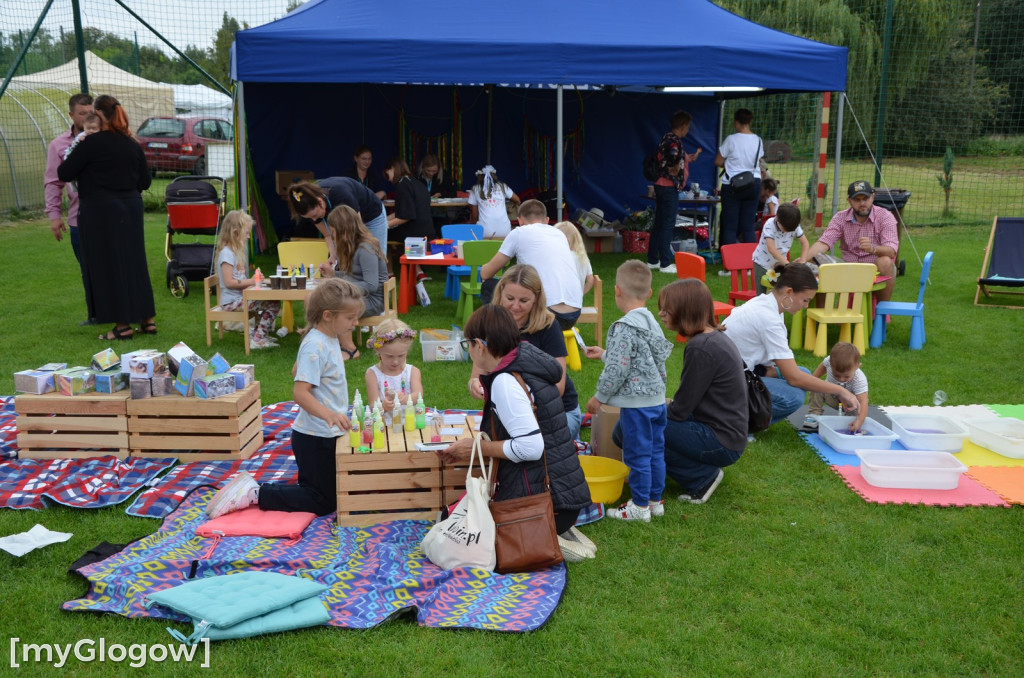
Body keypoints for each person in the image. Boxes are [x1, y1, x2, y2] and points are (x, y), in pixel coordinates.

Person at [439, 305, 592, 556]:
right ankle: (555, 531)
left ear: (479, 344)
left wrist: (477, 448)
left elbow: (531, 448)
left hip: (544, 503)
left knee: (451, 526)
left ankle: (543, 534)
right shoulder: (526, 361)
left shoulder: (505, 382)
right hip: (564, 497)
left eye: (468, 344)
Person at [206, 278, 364, 518]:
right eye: (350, 318)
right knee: (323, 501)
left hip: (325, 433)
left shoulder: (325, 337)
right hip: (315, 437)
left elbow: (295, 370)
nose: (356, 322)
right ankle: (256, 493)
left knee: (338, 489)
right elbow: (299, 392)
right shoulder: (316, 345)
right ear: (328, 316)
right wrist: (330, 414)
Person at [57, 94, 156, 341]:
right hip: (131, 208)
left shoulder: (91, 142)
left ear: (99, 114)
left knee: (108, 266)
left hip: (101, 211)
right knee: (134, 263)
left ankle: (121, 326)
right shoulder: (132, 143)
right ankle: (147, 320)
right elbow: (145, 181)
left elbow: (64, 171)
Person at [584, 260, 673, 522]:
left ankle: (640, 506)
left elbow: (618, 369)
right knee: (656, 452)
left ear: (617, 291)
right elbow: (643, 359)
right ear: (648, 293)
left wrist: (599, 397)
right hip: (656, 401)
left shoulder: (623, 326)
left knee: (637, 454)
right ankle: (655, 501)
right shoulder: (651, 322)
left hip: (637, 406)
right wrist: (605, 354)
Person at [720, 262, 859, 424]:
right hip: (728, 383)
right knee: (793, 397)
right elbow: (794, 378)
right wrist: (841, 391)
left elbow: (777, 367)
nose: (806, 306)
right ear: (789, 292)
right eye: (805, 300)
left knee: (804, 373)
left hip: (736, 371)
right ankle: (737, 423)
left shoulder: (767, 303)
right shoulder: (769, 319)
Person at [652, 279, 747, 505]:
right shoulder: (713, 337)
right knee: (636, 423)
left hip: (721, 440)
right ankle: (697, 471)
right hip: (726, 432)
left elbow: (680, 410)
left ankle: (701, 477)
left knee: (632, 427)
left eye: (667, 309)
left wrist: (653, 410)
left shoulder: (701, 347)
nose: (661, 314)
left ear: (686, 310)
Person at [469, 264, 584, 441]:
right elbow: (477, 374)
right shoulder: (489, 323)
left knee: (530, 449)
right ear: (500, 293)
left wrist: (514, 400)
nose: (515, 306)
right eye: (509, 298)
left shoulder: (548, 325)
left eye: (524, 301)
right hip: (513, 412)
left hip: (557, 413)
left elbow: (558, 388)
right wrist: (474, 384)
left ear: (536, 299)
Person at [479, 200, 583, 329]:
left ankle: (501, 331)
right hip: (573, 314)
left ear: (520, 221)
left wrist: (484, 268)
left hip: (546, 314)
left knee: (489, 286)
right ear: (546, 220)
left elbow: (486, 273)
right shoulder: (559, 234)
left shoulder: (519, 233)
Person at [803, 180, 898, 303]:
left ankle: (883, 313)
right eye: (857, 200)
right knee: (817, 260)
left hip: (875, 269)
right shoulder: (840, 217)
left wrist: (873, 248)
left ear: (873, 197)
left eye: (865, 198)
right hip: (846, 267)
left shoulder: (885, 216)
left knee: (885, 261)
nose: (862, 203)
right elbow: (824, 243)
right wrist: (803, 260)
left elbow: (891, 251)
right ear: (849, 201)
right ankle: (822, 315)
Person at [45, 93, 95, 326]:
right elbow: (53, 182)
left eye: (90, 112)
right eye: (82, 113)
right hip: (77, 218)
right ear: (72, 114)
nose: (87, 116)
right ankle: (95, 314)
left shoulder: (103, 138)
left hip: (109, 215)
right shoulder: (59, 145)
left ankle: (119, 313)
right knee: (88, 268)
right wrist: (54, 216)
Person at [320, 204, 388, 360]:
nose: (333, 235)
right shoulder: (356, 245)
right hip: (361, 296)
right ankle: (327, 341)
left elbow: (371, 285)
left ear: (342, 230)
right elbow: (355, 276)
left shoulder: (365, 248)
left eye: (333, 231)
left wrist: (341, 284)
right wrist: (334, 275)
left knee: (338, 305)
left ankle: (349, 349)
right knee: (315, 298)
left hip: (373, 300)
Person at [216, 210, 282, 349]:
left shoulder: (233, 252)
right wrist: (251, 282)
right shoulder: (227, 254)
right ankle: (258, 339)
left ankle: (258, 335)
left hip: (239, 299)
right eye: (246, 233)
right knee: (273, 302)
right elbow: (229, 282)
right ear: (235, 232)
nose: (248, 236)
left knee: (272, 300)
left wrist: (256, 282)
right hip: (231, 303)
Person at [650, 110, 701, 274]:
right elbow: (672, 155)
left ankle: (653, 260)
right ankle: (665, 263)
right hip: (668, 186)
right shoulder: (673, 140)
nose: (688, 130)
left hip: (661, 185)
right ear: (683, 126)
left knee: (659, 224)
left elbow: (674, 155)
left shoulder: (667, 138)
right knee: (667, 224)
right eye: (688, 127)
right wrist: (675, 167)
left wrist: (685, 159)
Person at [286, 177, 388, 259]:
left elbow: (358, 232)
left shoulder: (341, 196)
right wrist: (333, 256)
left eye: (314, 216)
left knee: (375, 257)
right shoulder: (311, 207)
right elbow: (327, 235)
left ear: (320, 202)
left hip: (372, 215)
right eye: (309, 218)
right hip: (349, 219)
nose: (314, 220)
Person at [715, 108, 764, 246]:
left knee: (730, 227)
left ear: (737, 122)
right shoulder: (758, 140)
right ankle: (750, 264)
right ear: (750, 121)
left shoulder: (731, 139)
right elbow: (758, 161)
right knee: (748, 227)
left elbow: (718, 161)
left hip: (733, 185)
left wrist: (730, 164)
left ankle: (730, 265)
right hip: (753, 183)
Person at [364, 318, 423, 424]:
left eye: (401, 355)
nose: (395, 361)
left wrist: (404, 398)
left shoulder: (412, 371)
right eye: (389, 356)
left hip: (410, 423)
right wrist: (383, 406)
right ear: (378, 350)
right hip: (384, 424)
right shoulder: (372, 374)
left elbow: (418, 395)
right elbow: (373, 405)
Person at [803, 342, 870, 433]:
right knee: (816, 385)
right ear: (830, 364)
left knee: (857, 405)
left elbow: (863, 401)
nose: (842, 379)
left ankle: (849, 420)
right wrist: (810, 382)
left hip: (849, 405)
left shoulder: (859, 379)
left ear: (857, 367)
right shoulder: (828, 362)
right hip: (831, 397)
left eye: (846, 377)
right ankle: (813, 415)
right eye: (837, 376)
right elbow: (815, 376)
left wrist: (860, 421)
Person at [752, 203, 810, 294]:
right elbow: (771, 249)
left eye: (790, 230)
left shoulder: (794, 225)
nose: (787, 232)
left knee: (780, 291)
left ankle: (777, 307)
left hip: (780, 264)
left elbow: (805, 243)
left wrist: (803, 260)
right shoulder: (769, 225)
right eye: (785, 229)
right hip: (762, 264)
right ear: (777, 218)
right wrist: (787, 264)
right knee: (762, 294)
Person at [466, 165, 520, 238]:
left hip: (485, 231)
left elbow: (474, 214)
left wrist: (476, 223)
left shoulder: (475, 189)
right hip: (504, 231)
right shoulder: (502, 187)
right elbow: (517, 200)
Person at [554, 221, 595, 295]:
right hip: (576, 303)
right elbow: (590, 280)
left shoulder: (558, 258)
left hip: (558, 301)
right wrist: (581, 294)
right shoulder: (583, 257)